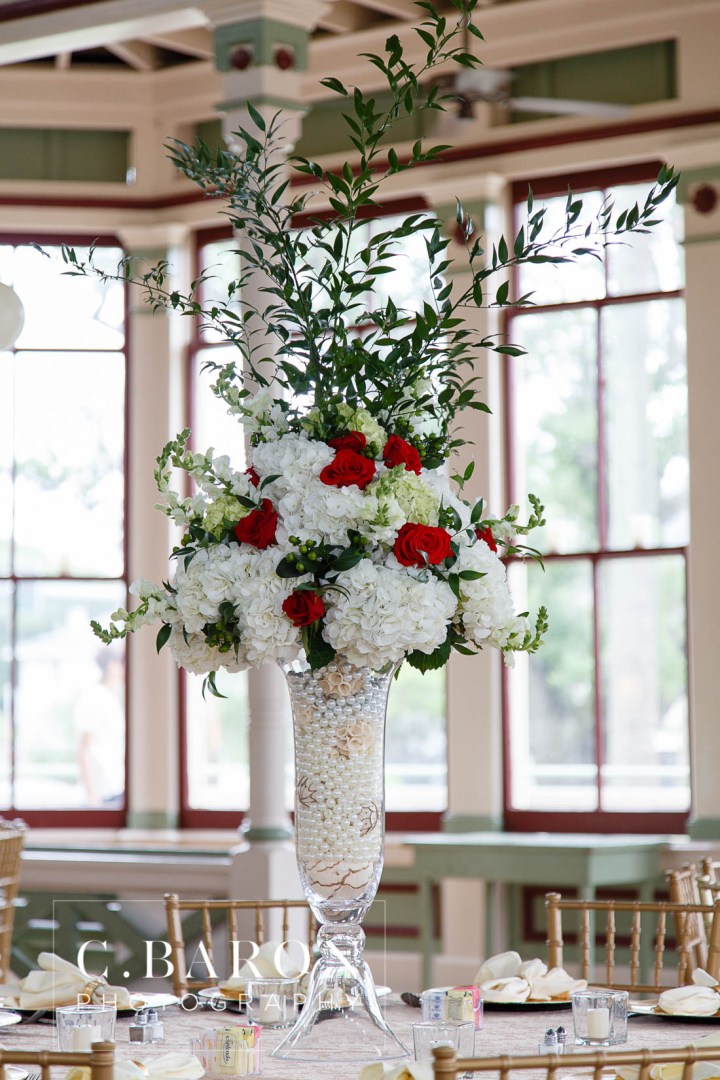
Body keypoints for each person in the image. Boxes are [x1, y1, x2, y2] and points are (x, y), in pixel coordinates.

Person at [75, 651, 126, 807]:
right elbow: (83, 748)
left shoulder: (112, 696)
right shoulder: (94, 697)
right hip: (101, 794)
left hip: (115, 789)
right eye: (122, 663)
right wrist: (92, 795)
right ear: (111, 666)